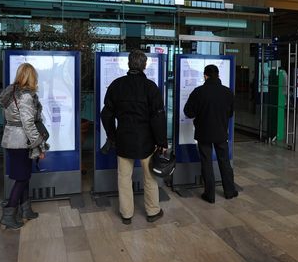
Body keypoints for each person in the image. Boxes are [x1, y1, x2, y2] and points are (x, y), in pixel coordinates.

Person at [100, 50, 167, 225]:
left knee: (123, 178)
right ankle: (152, 211)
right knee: (150, 177)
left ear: (129, 64)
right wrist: (161, 142)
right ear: (144, 66)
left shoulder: (117, 85)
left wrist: (112, 135)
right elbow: (158, 117)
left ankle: (126, 214)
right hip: (147, 141)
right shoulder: (151, 87)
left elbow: (106, 115)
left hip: (124, 139)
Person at [0, 63, 48, 230]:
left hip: (12, 138)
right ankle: (9, 214)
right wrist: (39, 145)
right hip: (21, 141)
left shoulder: (11, 92)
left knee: (23, 175)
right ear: (31, 77)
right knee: (21, 178)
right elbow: (28, 124)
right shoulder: (25, 96)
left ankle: (26, 209)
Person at [183, 64, 238, 203]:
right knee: (224, 161)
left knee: (206, 162)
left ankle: (210, 194)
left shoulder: (199, 92)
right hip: (221, 132)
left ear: (205, 76)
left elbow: (188, 112)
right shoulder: (227, 92)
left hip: (204, 133)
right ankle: (230, 191)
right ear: (218, 75)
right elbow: (230, 113)